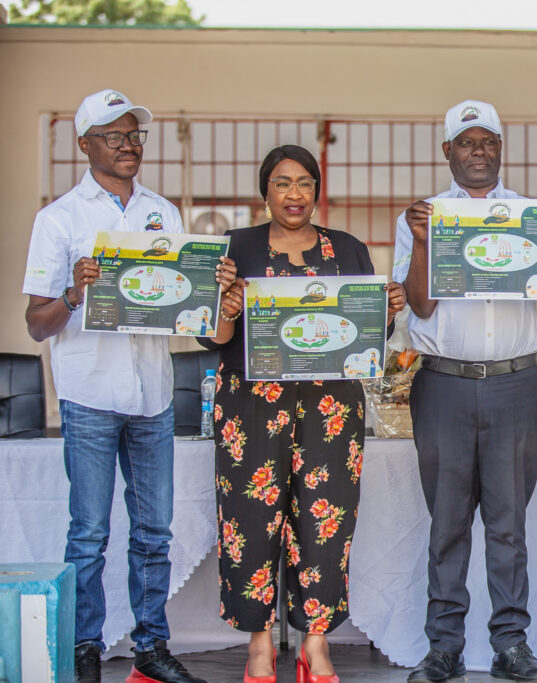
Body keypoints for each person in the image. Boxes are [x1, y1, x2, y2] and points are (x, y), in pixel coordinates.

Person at [22, 89, 228, 683]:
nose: (130, 145)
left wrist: (204, 290)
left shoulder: (163, 212)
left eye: (136, 134)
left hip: (153, 394)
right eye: (115, 136)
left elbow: (185, 309)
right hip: (88, 392)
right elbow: (37, 324)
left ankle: (152, 648)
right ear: (85, 144)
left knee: (154, 532)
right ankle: (84, 646)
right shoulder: (58, 219)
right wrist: (73, 293)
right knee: (88, 532)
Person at [394, 100, 537, 683]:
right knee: (447, 523)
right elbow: (421, 303)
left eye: (488, 143)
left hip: (515, 383)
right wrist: (424, 240)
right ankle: (443, 648)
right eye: (466, 142)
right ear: (447, 151)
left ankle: (511, 645)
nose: (478, 152)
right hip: (444, 384)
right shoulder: (425, 217)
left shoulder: (534, 215)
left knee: (509, 525)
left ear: (500, 151)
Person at [198, 145, 405, 683]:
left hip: (330, 409)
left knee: (326, 522)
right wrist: (225, 306)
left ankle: (316, 645)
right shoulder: (232, 248)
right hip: (249, 407)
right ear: (264, 191)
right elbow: (212, 337)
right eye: (283, 183)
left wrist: (387, 312)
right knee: (248, 522)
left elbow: (365, 344)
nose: (295, 194)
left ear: (317, 190)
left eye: (305, 183)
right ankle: (260, 644)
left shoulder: (351, 250)